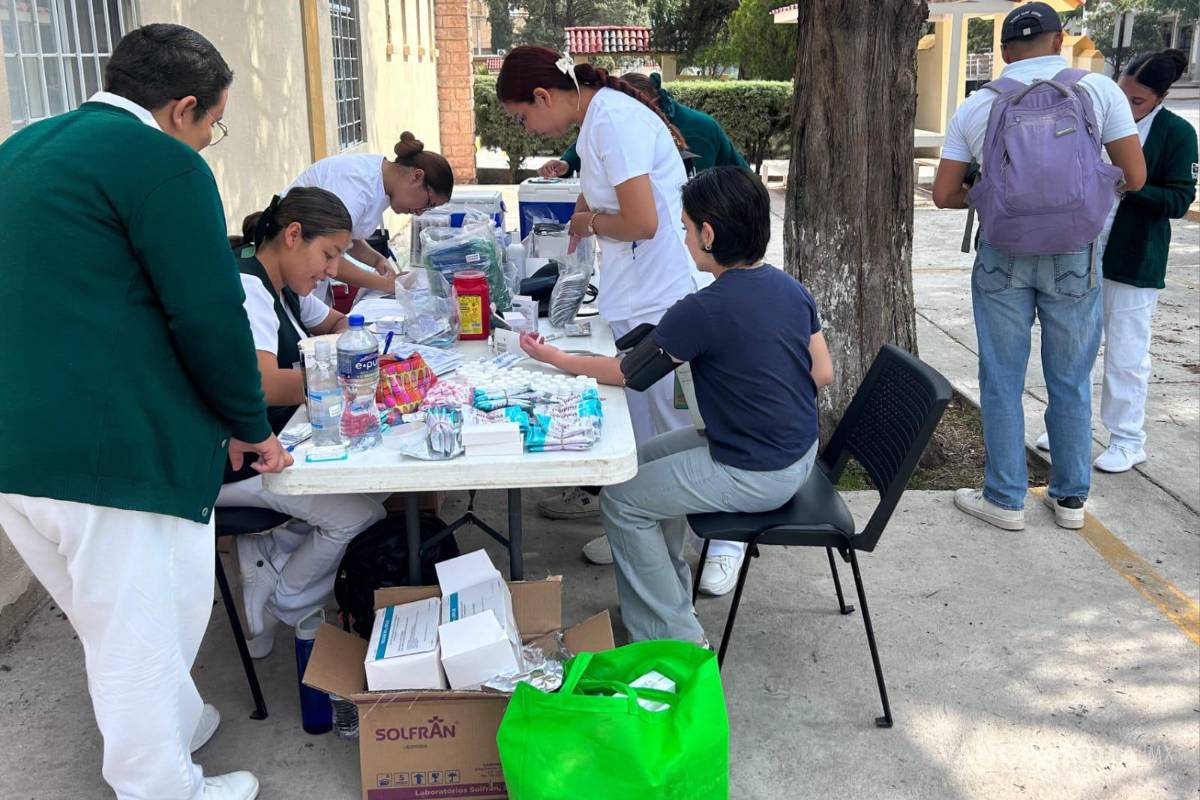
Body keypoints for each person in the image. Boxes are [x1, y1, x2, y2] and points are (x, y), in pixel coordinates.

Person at [0, 24, 290, 800]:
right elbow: (207, 313)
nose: (206, 142)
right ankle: (162, 787)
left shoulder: (22, 150)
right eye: (211, 125)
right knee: (142, 633)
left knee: (107, 621)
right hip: (117, 453)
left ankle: (177, 722)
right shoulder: (160, 164)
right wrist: (251, 426)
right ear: (183, 107)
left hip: (19, 449)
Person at [520, 167, 832, 642]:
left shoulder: (703, 309)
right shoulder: (790, 288)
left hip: (757, 467)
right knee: (628, 469)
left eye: (686, 229)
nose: (684, 239)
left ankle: (675, 637)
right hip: (793, 450)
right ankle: (665, 595)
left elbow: (628, 375)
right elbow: (822, 373)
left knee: (623, 501)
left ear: (708, 235)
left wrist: (555, 357)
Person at [499, 46, 749, 593]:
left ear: (544, 96)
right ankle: (640, 529)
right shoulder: (596, 122)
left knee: (670, 423)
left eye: (524, 116)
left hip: (659, 294)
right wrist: (588, 223)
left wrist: (588, 221)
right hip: (632, 292)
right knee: (636, 423)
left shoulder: (611, 119)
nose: (529, 128)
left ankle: (724, 538)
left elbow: (640, 220)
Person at [932, 2, 1146, 532]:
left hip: (1002, 253)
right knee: (1070, 379)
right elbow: (1135, 177)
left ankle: (1005, 500)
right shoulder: (1099, 91)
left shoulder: (978, 104)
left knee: (1001, 379)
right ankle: (1070, 500)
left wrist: (990, 196)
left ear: (1005, 53)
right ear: (1059, 41)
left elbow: (943, 194)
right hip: (1075, 251)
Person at [217, 188, 389, 659]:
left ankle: (272, 553)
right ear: (293, 235)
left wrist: (365, 350)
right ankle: (282, 601)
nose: (333, 270)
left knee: (380, 484)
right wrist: (346, 377)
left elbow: (338, 323)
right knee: (361, 515)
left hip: (280, 440)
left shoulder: (286, 287)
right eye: (329, 254)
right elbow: (265, 384)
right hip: (238, 457)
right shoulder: (251, 286)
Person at [1034, 49, 1197, 473]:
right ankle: (1068, 425)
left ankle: (1127, 439)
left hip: (1134, 259)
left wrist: (1126, 184)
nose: (1125, 106)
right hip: (1081, 251)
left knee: (1126, 353)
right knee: (1071, 348)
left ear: (1161, 98)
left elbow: (1179, 200)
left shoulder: (1176, 134)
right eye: (1121, 94)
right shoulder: (1095, 119)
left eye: (1138, 101)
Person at [283, 131, 455, 300]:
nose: (420, 212)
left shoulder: (380, 182)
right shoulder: (357, 185)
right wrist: (386, 284)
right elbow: (328, 258)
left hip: (307, 289)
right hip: (290, 278)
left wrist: (376, 259)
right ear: (417, 177)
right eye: (428, 203)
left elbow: (347, 237)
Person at [539, 72, 749, 178]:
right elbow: (600, 140)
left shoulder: (696, 130)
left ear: (650, 105)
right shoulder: (636, 124)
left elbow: (694, 195)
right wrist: (567, 163)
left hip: (735, 211)